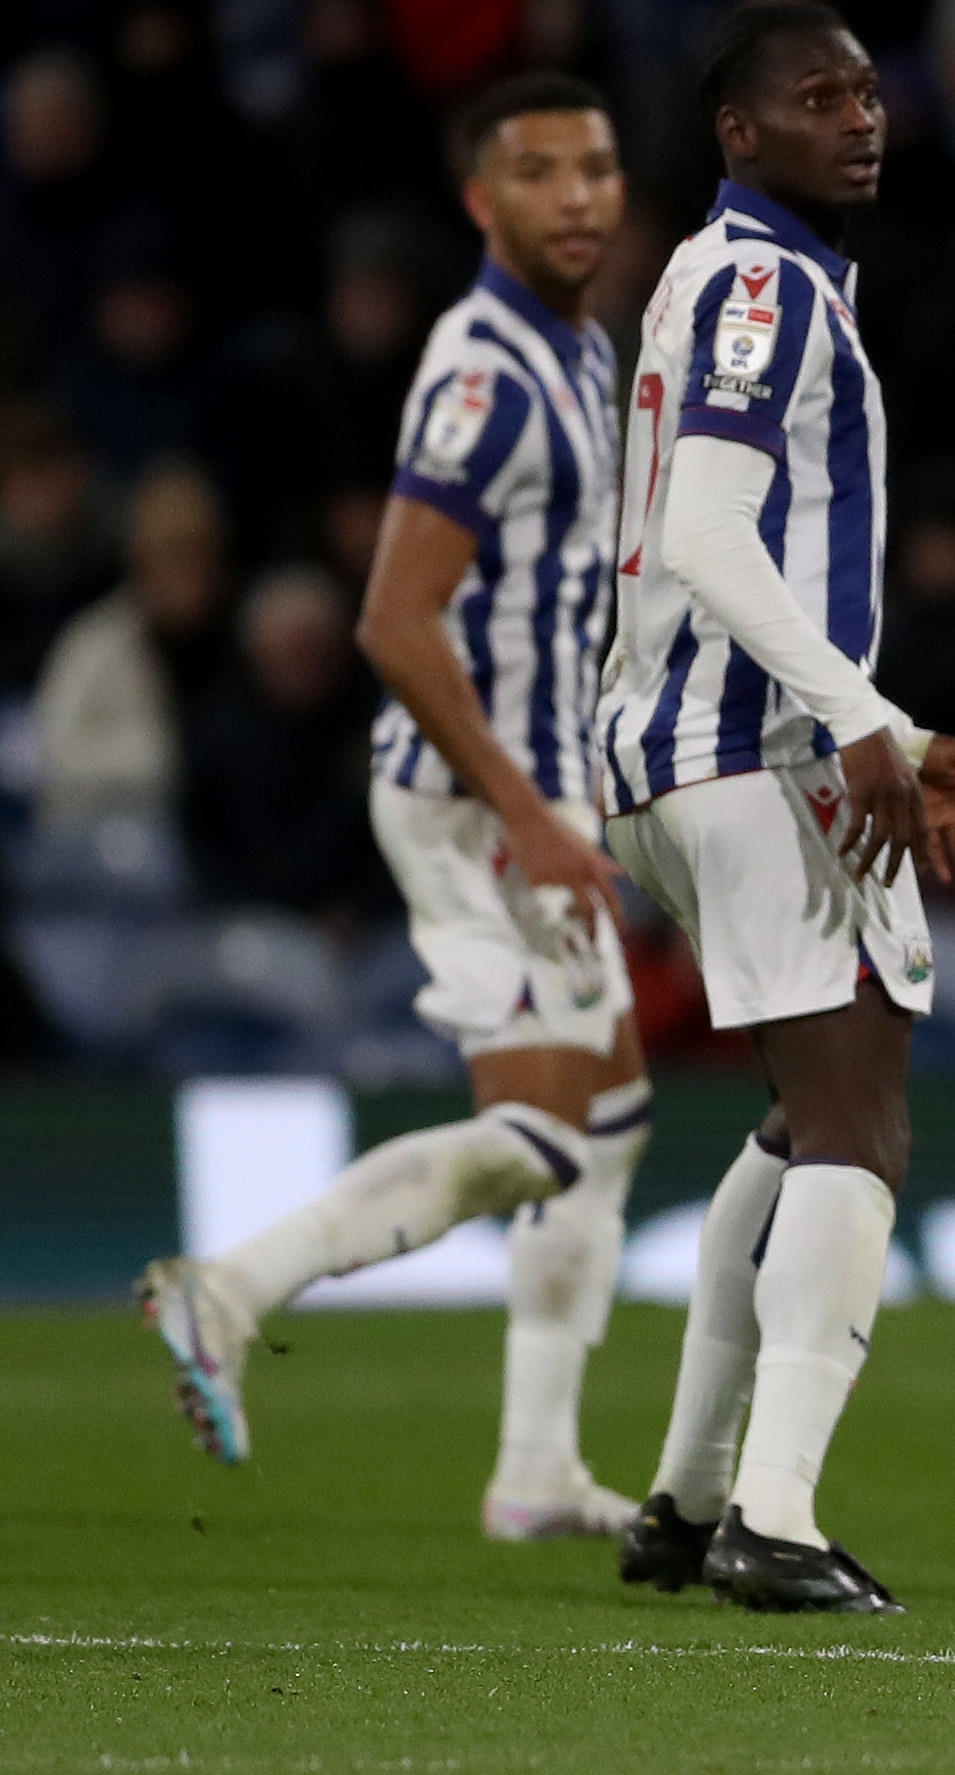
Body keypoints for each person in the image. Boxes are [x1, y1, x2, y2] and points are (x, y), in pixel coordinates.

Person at [138, 75, 653, 1542]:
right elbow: (394, 622)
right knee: (547, 1138)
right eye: (540, 171)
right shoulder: (485, 372)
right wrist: (534, 816)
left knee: (605, 1120)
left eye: (599, 167)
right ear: (481, 199)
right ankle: (230, 1284)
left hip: (538, 784)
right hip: (475, 801)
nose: (578, 195)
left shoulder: (583, 346)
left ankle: (536, 1468)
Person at [600, 4, 955, 1614]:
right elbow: (709, 527)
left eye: (866, 90)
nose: (860, 117)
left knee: (793, 1123)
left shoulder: (740, 278)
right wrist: (858, 719)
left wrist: (888, 721)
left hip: (682, 751)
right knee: (860, 1120)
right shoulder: (764, 280)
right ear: (737, 133)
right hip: (752, 749)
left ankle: (689, 1494)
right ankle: (774, 1516)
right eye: (816, 96)